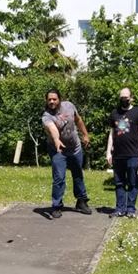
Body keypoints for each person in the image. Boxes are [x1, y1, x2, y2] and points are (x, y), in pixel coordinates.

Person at [42, 89, 92, 219]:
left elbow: (78, 120)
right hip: (58, 150)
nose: (52, 102)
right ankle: (57, 206)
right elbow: (52, 129)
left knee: (78, 174)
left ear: (60, 99)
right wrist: (57, 139)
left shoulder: (69, 106)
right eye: (49, 100)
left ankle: (81, 201)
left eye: (54, 99)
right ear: (46, 101)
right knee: (59, 177)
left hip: (75, 148)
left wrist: (85, 134)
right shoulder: (46, 116)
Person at [105, 87, 138, 218]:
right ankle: (120, 208)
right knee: (119, 183)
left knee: (133, 182)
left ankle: (131, 209)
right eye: (121, 98)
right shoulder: (114, 113)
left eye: (126, 98)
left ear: (131, 98)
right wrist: (108, 152)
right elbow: (111, 134)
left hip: (133, 153)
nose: (123, 100)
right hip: (118, 154)